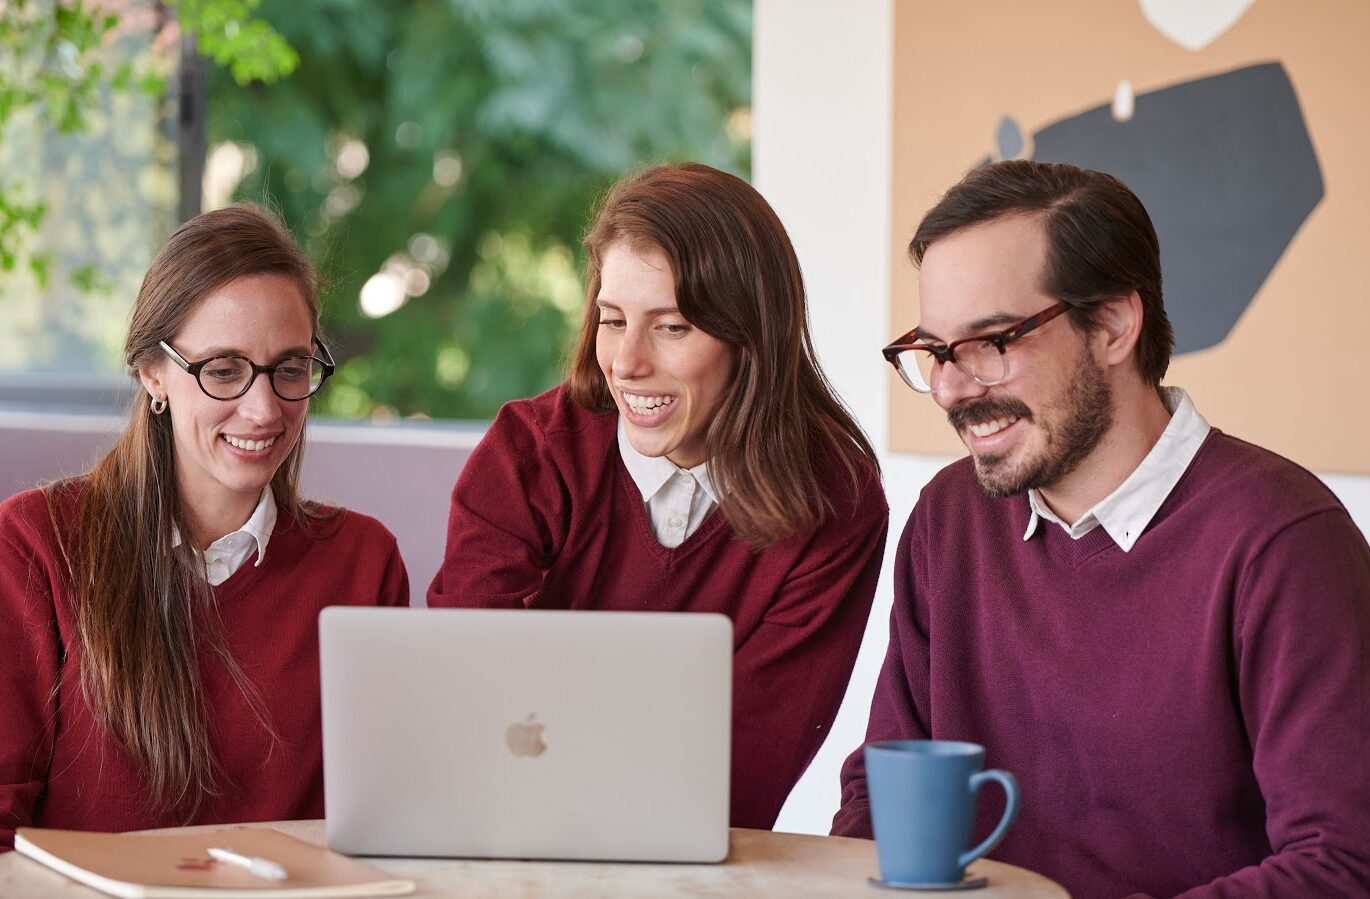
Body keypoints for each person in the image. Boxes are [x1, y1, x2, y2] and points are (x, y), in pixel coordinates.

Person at [831, 159, 1370, 895]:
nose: (952, 388)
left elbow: (1342, 862)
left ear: (1114, 324)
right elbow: (884, 788)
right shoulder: (950, 518)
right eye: (935, 351)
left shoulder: (1285, 541)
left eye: (992, 342)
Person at [429, 162, 888, 829]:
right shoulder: (527, 456)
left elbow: (742, 772)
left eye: (671, 327)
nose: (626, 362)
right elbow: (462, 709)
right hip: (504, 846)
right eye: (613, 320)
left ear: (751, 338)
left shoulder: (835, 501)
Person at [0, 205, 409, 850]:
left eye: (291, 368)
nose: (263, 408)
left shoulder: (363, 562)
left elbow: (383, 821)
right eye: (223, 370)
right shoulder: (37, 543)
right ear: (153, 373)